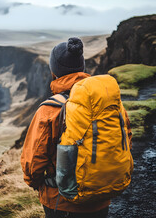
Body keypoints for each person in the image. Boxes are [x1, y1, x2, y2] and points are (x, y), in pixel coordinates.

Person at [21, 37, 132, 218]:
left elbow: (33, 163)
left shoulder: (49, 110)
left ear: (54, 72)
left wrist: (38, 185)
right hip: (103, 196)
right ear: (82, 69)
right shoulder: (108, 103)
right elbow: (126, 140)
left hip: (61, 201)